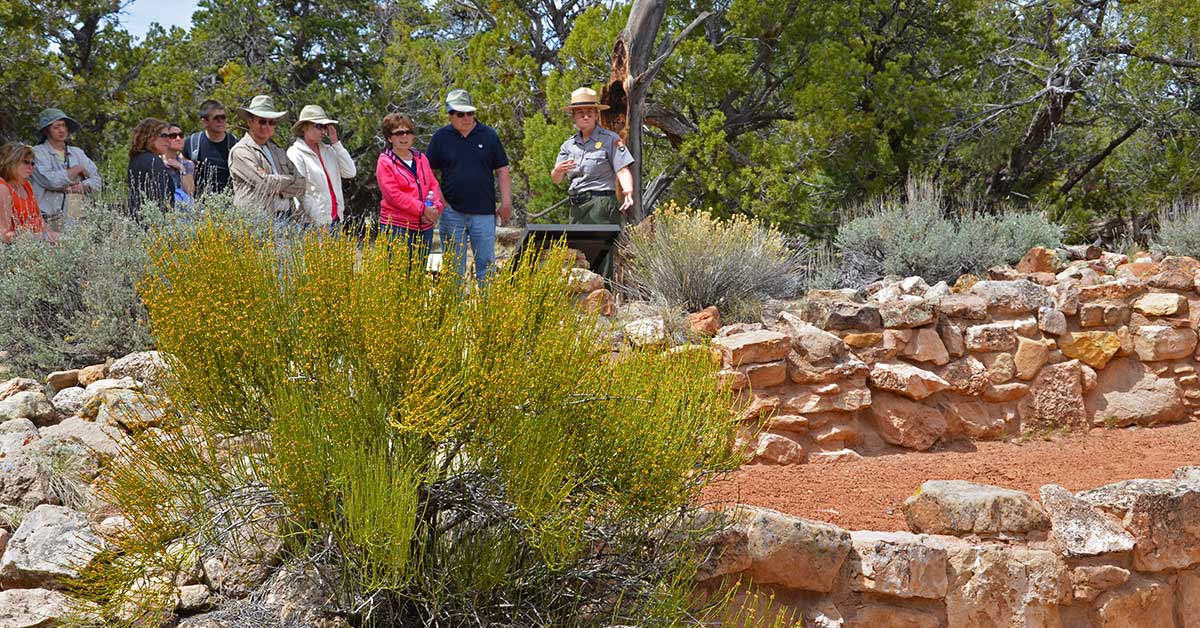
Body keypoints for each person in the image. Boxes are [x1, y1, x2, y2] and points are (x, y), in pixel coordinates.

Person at [426, 89, 511, 285]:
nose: (466, 118)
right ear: (450, 114)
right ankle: (454, 314)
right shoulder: (441, 138)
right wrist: (441, 201)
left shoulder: (489, 135)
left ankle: (487, 313)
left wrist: (506, 202)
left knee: (486, 267)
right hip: (452, 212)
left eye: (470, 113)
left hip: (484, 213)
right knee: (454, 270)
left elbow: (503, 170)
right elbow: (428, 172)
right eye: (460, 114)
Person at [550, 87, 636, 277]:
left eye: (589, 112)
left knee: (601, 256)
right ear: (574, 116)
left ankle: (604, 300)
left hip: (601, 205)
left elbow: (622, 168)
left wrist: (628, 191)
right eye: (580, 113)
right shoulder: (568, 145)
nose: (585, 116)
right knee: (578, 256)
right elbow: (557, 179)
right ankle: (584, 302)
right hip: (577, 207)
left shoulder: (610, 139)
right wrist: (557, 170)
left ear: (597, 114)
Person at [229, 95, 307, 229]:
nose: (266, 126)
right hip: (256, 223)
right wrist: (289, 179)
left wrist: (277, 185)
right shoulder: (241, 151)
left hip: (288, 219)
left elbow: (302, 184)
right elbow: (265, 184)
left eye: (271, 122)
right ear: (250, 122)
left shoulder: (278, 151)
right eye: (262, 121)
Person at [376, 113, 444, 265]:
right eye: (399, 133)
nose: (404, 136)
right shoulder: (385, 162)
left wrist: (435, 209)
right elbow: (393, 195)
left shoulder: (421, 158)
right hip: (398, 228)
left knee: (418, 277)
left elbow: (433, 184)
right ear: (389, 138)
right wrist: (422, 209)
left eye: (408, 132)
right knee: (398, 276)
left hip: (425, 227)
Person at [286, 105, 356, 234]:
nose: (323, 131)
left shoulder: (329, 150)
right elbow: (301, 192)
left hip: (335, 220)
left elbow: (350, 172)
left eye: (324, 127)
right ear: (304, 127)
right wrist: (319, 221)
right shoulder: (295, 153)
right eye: (318, 126)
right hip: (311, 224)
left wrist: (336, 143)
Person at [30, 108, 101, 232]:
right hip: (49, 219)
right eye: (56, 127)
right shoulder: (37, 152)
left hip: (78, 218)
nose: (62, 130)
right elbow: (50, 180)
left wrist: (82, 186)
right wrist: (77, 169)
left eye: (63, 125)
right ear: (46, 130)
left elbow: (97, 181)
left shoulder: (77, 152)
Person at [0, 142, 56, 243]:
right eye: (26, 162)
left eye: (32, 163)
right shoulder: (3, 188)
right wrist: (41, 237)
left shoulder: (26, 185)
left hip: (38, 245)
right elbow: (4, 235)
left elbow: (39, 220)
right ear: (12, 162)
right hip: (21, 249)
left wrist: (53, 236)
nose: (31, 167)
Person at [182, 99, 238, 195]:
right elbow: (184, 170)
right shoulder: (192, 143)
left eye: (223, 117)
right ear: (204, 121)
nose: (221, 121)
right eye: (216, 118)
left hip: (230, 200)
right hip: (200, 203)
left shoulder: (235, 143)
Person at [126, 118, 176, 216]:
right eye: (164, 136)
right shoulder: (153, 161)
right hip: (154, 223)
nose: (168, 140)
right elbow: (160, 199)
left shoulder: (136, 159)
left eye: (169, 136)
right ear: (149, 136)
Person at [161, 123, 196, 206]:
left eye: (181, 135)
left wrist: (181, 168)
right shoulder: (156, 163)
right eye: (173, 136)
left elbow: (190, 192)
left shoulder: (187, 164)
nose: (178, 138)